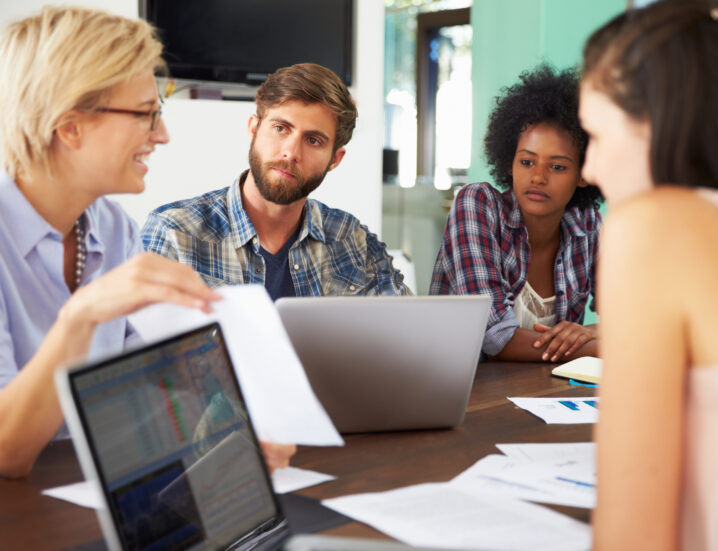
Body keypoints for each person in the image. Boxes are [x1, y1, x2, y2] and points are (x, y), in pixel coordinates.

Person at [0, 7, 293, 478]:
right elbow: (6, 452)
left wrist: (229, 426)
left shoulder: (113, 227)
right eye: (145, 115)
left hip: (90, 493)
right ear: (69, 125)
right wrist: (82, 315)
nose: (162, 135)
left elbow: (148, 389)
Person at [579, 1, 718, 549]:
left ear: (659, 118)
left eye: (595, 134)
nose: (588, 170)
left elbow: (632, 538)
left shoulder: (655, 226)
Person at [142, 63, 411, 300]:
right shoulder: (174, 233)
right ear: (253, 129)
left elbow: (408, 331)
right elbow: (144, 349)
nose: (291, 153)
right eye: (280, 128)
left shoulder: (352, 240)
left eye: (313, 140)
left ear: (335, 159)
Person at [430, 65, 602, 362]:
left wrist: (595, 332)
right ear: (509, 162)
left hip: (545, 392)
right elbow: (492, 336)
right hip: (462, 388)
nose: (538, 177)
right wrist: (600, 347)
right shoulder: (477, 205)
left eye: (557, 166)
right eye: (526, 162)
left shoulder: (587, 223)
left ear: (584, 174)